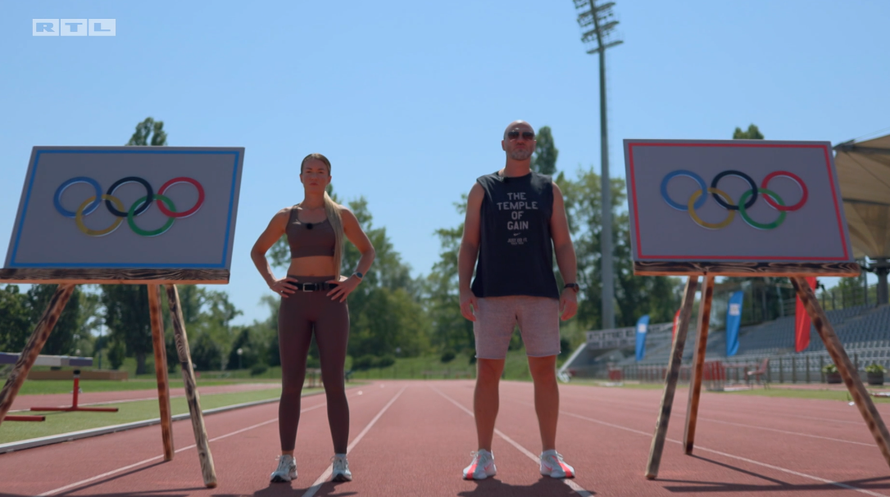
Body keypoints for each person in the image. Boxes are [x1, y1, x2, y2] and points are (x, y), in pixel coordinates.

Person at [458, 120, 579, 480]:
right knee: (488, 373)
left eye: (526, 135)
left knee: (544, 374)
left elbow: (563, 242)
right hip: (490, 293)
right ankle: (484, 456)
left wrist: (570, 286)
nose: (520, 140)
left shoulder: (548, 189)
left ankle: (549, 456)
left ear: (534, 145)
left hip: (540, 293)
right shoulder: (483, 188)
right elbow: (469, 243)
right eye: (514, 135)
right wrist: (464, 288)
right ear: (503, 143)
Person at [251, 153, 375, 483]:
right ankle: (287, 460)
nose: (315, 176)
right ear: (301, 177)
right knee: (291, 384)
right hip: (294, 302)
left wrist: (353, 281)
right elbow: (257, 251)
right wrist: (273, 282)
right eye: (309, 171)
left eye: (321, 172)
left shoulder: (340, 215)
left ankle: (340, 459)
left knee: (334, 383)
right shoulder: (286, 216)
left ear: (329, 179)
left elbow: (368, 251)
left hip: (331, 301)